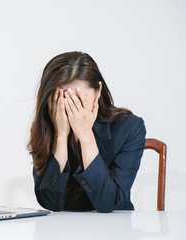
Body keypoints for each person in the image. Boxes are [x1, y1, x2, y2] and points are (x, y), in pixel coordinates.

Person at [27, 51, 146, 213]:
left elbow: (109, 203)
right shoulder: (46, 126)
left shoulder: (129, 127)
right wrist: (60, 137)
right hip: (62, 229)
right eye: (64, 99)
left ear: (98, 92)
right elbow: (49, 202)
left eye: (79, 99)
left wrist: (85, 136)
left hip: (114, 229)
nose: (71, 107)